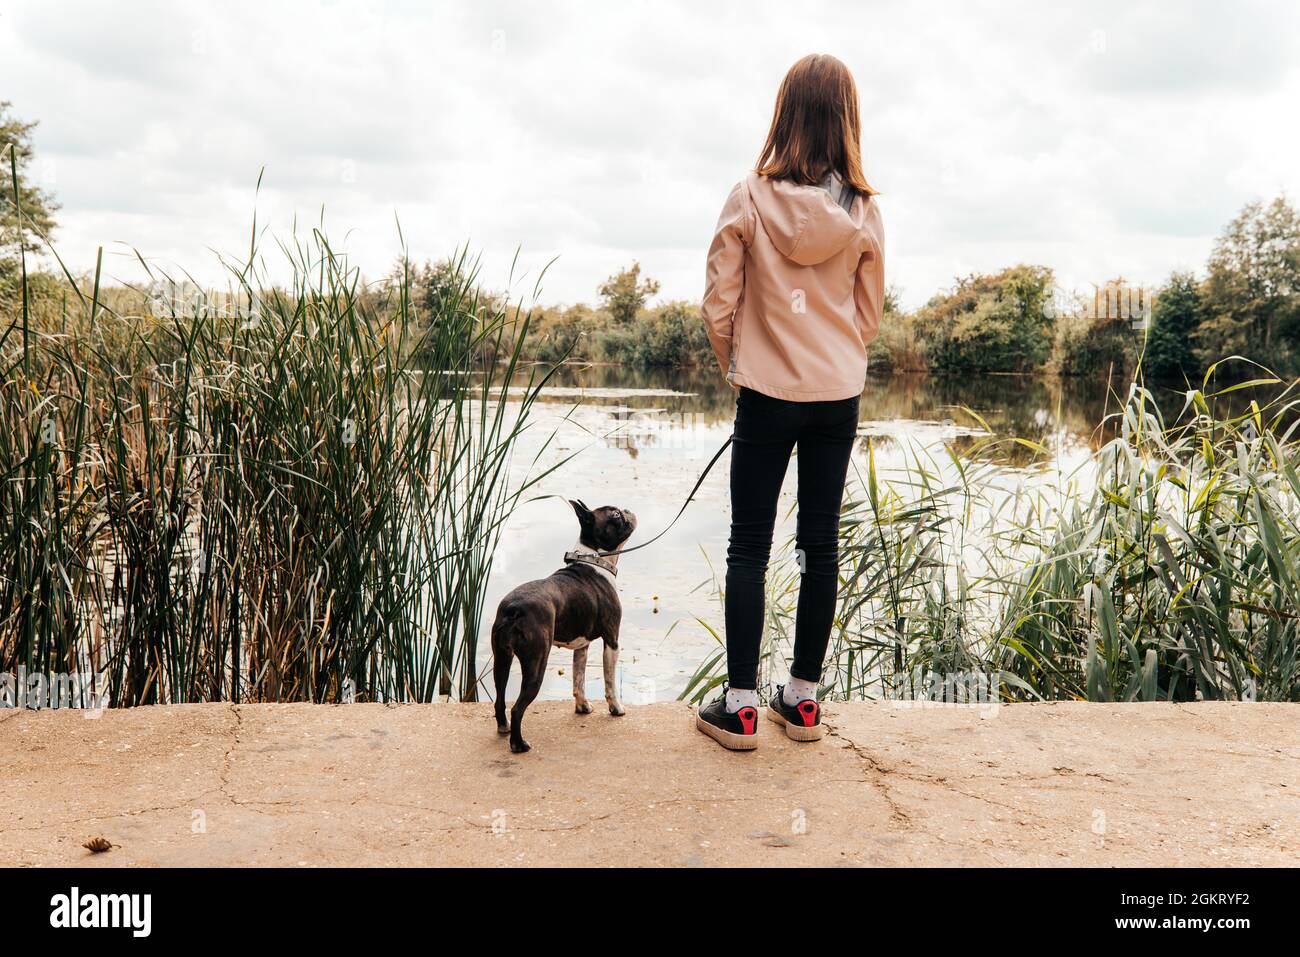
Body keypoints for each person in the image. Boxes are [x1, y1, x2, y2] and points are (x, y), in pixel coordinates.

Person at [695, 53, 885, 751]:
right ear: (847, 121)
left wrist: (740, 366)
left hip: (767, 393)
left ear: (785, 114)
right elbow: (868, 313)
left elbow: (719, 304)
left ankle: (741, 705)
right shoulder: (862, 209)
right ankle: (803, 701)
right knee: (820, 546)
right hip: (837, 395)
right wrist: (834, 360)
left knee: (749, 544)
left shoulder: (748, 195)